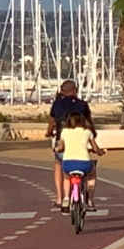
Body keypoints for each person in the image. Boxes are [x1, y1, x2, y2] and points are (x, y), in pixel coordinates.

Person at [46, 80, 95, 212]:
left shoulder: (57, 104)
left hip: (62, 141)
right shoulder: (83, 105)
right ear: (75, 90)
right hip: (80, 144)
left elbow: (51, 122)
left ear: (62, 91)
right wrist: (92, 136)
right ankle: (88, 198)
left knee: (59, 165)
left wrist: (49, 132)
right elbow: (90, 122)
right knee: (86, 165)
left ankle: (60, 198)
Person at [53, 111, 105, 209]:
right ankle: (90, 200)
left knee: (66, 178)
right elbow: (95, 148)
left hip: (68, 163)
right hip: (84, 164)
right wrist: (101, 152)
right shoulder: (87, 132)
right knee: (91, 175)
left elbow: (60, 147)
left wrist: (57, 149)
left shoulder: (65, 132)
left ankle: (66, 198)